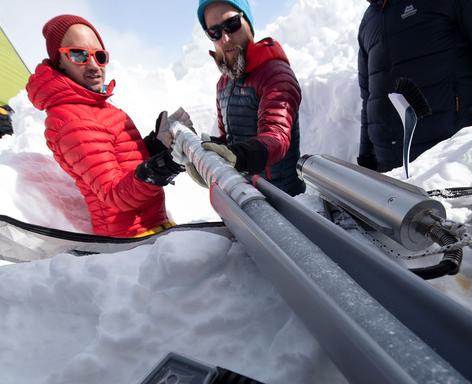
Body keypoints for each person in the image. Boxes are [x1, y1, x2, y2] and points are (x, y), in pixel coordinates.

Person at [26, 15, 187, 238]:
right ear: (59, 60)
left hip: (151, 227)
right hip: (129, 240)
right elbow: (115, 195)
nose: (93, 66)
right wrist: (165, 166)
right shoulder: (71, 120)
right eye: (79, 54)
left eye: (99, 56)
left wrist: (154, 146)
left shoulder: (97, 107)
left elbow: (122, 164)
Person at [357, 0, 472, 172]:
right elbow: (369, 97)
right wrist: (367, 159)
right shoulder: (369, 20)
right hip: (389, 170)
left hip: (446, 166)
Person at [195, 0, 305, 196]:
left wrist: (238, 156)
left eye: (232, 24)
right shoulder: (223, 84)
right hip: (245, 196)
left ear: (248, 22)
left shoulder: (275, 74)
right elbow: (230, 141)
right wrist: (203, 152)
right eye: (214, 32)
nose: (225, 38)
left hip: (284, 200)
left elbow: (277, 136)